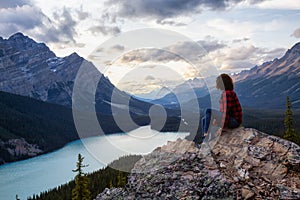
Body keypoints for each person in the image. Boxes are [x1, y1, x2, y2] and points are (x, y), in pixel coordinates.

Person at [195, 73, 242, 143]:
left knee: (208, 111)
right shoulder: (228, 93)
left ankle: (205, 135)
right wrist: (216, 119)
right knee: (204, 119)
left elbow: (226, 112)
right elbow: (223, 111)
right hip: (232, 120)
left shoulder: (227, 94)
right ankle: (204, 140)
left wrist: (222, 126)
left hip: (234, 121)